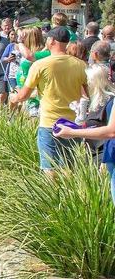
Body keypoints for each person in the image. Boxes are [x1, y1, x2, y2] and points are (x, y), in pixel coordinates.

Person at [11, 27, 88, 174]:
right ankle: (69, 195)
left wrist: (14, 97)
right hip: (73, 122)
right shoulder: (80, 65)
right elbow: (86, 94)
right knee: (69, 167)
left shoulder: (40, 65)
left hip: (49, 123)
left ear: (51, 41)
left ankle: (52, 196)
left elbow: (23, 96)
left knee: (49, 168)